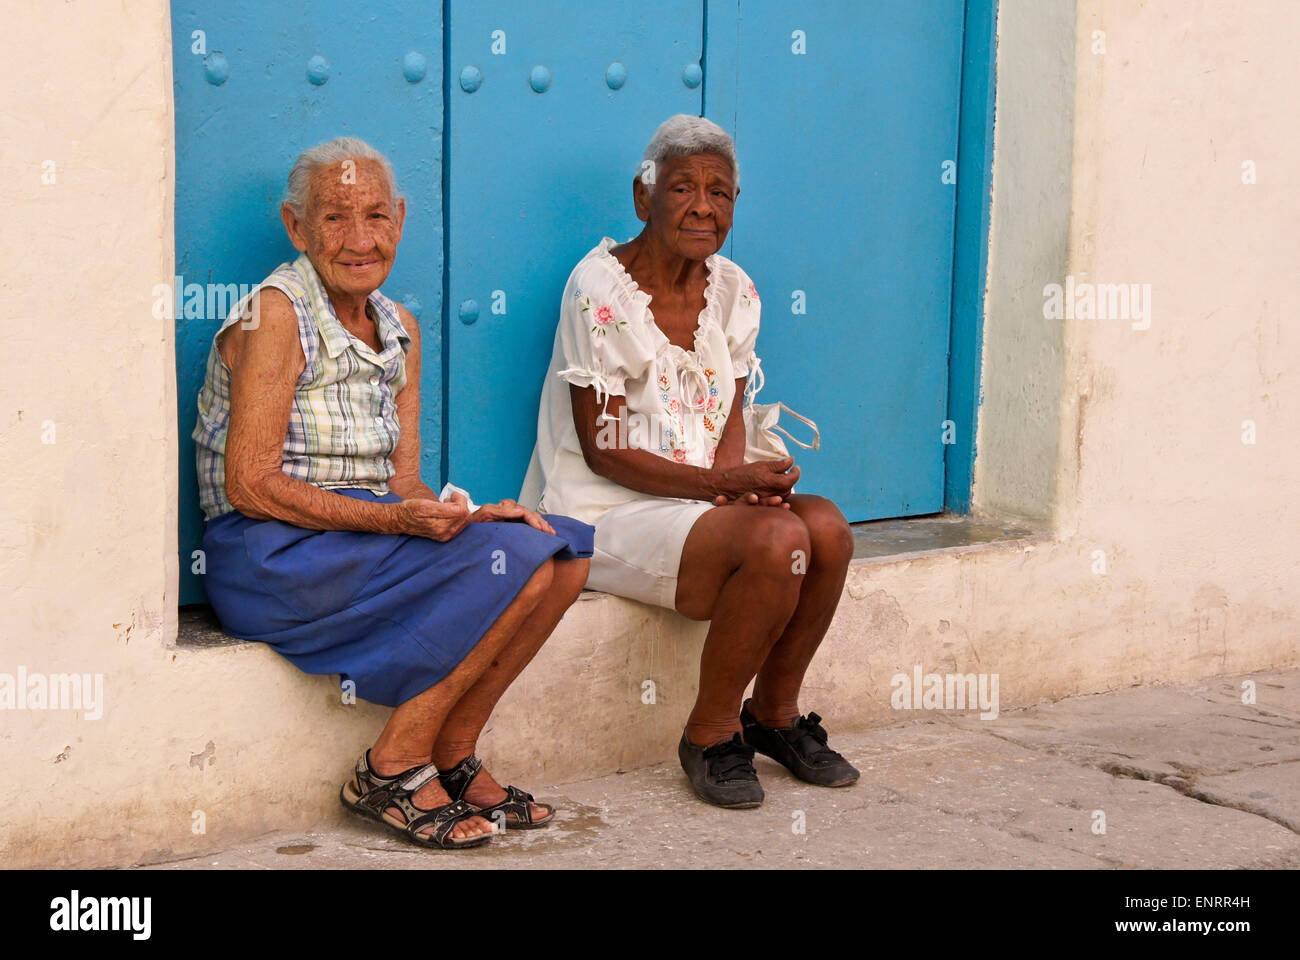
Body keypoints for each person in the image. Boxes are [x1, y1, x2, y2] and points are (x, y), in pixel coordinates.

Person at [193, 137, 592, 849]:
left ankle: (451, 751)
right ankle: (390, 767)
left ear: (401, 220)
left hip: (355, 533)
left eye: (376, 217)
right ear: (296, 227)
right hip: (268, 550)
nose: (359, 240)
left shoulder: (397, 327)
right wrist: (395, 521)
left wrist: (462, 514)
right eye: (335, 218)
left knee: (557, 553)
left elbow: (401, 484)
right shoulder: (277, 314)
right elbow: (250, 484)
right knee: (519, 562)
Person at [522, 115, 858, 809]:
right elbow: (602, 447)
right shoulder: (598, 288)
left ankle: (775, 715)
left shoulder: (735, 289)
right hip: (601, 513)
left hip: (696, 503)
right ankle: (709, 733)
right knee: (775, 539)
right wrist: (719, 486)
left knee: (825, 528)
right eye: (683, 188)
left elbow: (728, 414)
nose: (704, 206)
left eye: (722, 193)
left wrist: (733, 488)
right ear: (644, 198)